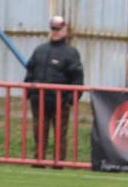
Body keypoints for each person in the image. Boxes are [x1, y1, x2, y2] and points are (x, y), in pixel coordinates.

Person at [24, 15, 84, 164]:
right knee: (39, 132)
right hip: (39, 100)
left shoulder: (71, 53)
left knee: (60, 134)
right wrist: (29, 92)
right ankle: (39, 161)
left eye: (58, 29)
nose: (55, 32)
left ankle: (58, 163)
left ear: (65, 30)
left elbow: (77, 77)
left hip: (60, 101)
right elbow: (30, 71)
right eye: (53, 29)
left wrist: (71, 99)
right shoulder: (40, 50)